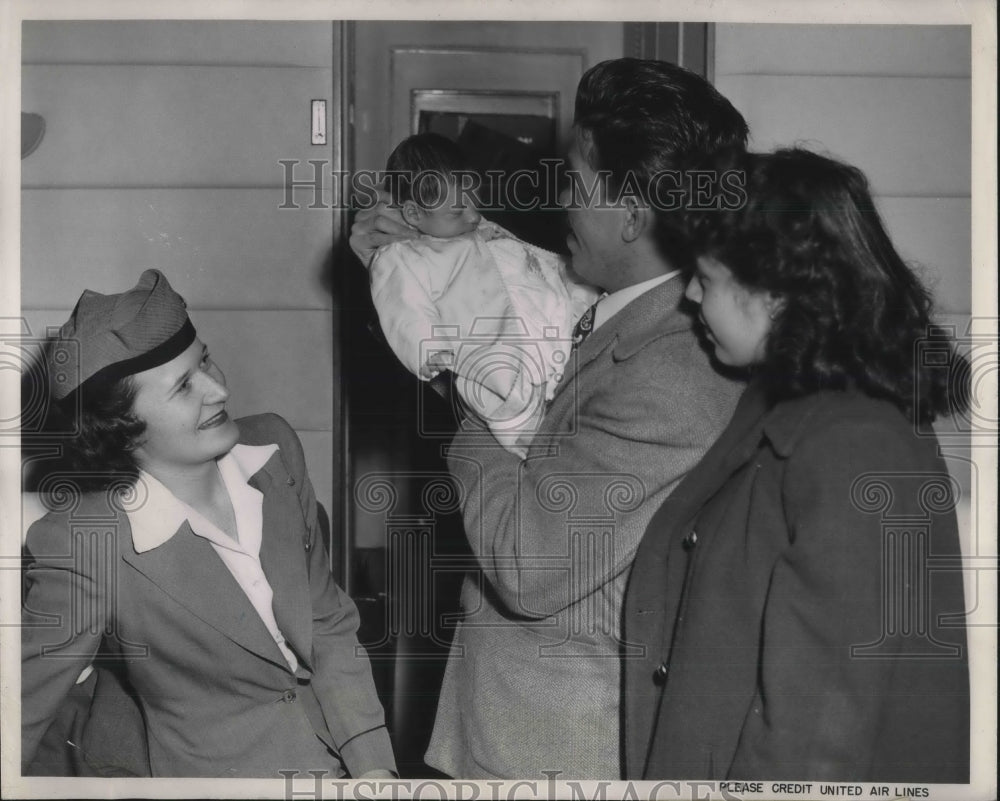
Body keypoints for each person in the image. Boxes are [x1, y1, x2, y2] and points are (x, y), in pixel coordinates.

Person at [350, 58, 749, 779]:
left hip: (555, 748)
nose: (557, 197)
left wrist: (468, 388)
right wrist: (410, 269)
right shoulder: (601, 296)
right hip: (507, 722)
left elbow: (529, 564)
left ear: (631, 213)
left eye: (573, 180)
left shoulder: (674, 373)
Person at [623, 148, 970, 782]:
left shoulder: (854, 445)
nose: (691, 297)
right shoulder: (793, 409)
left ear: (778, 290)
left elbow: (819, 737)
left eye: (705, 276)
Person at [21, 269, 397, 779]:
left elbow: (327, 624)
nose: (218, 389)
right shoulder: (85, 541)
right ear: (121, 427)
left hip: (335, 759)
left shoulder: (275, 451)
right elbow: (20, 710)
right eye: (183, 386)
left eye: (206, 360)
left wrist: (374, 768)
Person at [370, 132, 598, 456]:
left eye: (474, 204)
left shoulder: (475, 229)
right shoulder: (402, 256)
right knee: (506, 394)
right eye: (458, 212)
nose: (474, 216)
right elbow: (402, 306)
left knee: (559, 344)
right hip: (486, 342)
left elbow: (527, 256)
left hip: (524, 316)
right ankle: (530, 444)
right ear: (414, 214)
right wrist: (427, 347)